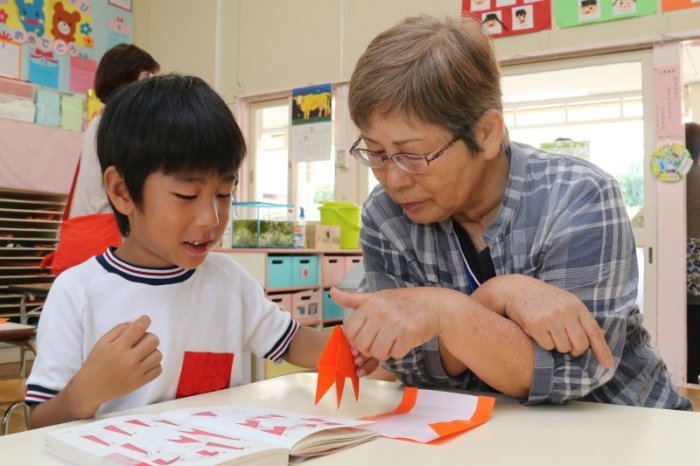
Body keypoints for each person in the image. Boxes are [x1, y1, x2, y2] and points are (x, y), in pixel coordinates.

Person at [331, 15, 691, 410]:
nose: (393, 180)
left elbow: (574, 372)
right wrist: (490, 298)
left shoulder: (578, 196)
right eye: (377, 154)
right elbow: (411, 365)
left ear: (485, 133)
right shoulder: (386, 217)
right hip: (487, 431)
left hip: (623, 422)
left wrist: (446, 316)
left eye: (413, 155)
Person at [25, 75, 359, 429]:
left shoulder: (228, 280)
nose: (210, 218)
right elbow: (39, 423)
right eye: (187, 196)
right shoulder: (77, 291)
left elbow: (292, 343)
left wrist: (359, 348)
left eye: (223, 194)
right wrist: (85, 392)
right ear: (122, 192)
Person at [69, 43, 160, 218]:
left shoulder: (100, 121)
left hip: (87, 225)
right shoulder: (120, 123)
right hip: (108, 226)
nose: (152, 89)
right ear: (125, 81)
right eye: (146, 78)